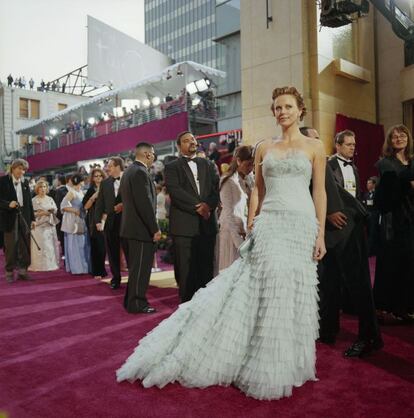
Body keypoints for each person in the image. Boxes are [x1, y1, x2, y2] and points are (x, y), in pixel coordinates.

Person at [117, 86, 327, 400]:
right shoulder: (263, 147)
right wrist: (255, 218)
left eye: (287, 106)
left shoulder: (315, 147)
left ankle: (292, 362)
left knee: (294, 289)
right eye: (277, 107)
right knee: (269, 290)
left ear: (300, 110)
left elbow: (319, 191)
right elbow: (258, 189)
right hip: (271, 225)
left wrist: (320, 232)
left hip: (302, 225)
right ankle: (265, 364)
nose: (281, 112)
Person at [321, 130, 382, 357]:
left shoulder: (354, 168)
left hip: (352, 229)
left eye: (354, 145)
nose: (352, 148)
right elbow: (324, 194)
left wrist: (360, 219)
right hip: (331, 231)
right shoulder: (326, 164)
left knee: (358, 284)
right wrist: (330, 213)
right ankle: (328, 330)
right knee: (329, 282)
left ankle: (369, 336)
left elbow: (353, 199)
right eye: (348, 144)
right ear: (337, 145)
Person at [164, 131, 220, 302]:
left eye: (193, 139)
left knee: (206, 268)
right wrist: (199, 207)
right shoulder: (172, 167)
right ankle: (186, 306)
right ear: (179, 147)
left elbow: (215, 190)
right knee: (186, 271)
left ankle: (206, 305)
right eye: (186, 141)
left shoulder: (208, 164)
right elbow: (176, 192)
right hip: (184, 227)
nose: (191, 142)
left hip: (206, 226)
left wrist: (208, 205)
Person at [373, 124, 414, 323]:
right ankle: (385, 308)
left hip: (411, 218)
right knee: (390, 264)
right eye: (394, 136)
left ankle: (404, 306)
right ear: (389, 141)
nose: (399, 139)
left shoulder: (412, 161)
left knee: (409, 265)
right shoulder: (385, 163)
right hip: (393, 220)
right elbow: (392, 190)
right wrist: (408, 181)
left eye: (402, 135)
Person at [120, 143, 161, 313]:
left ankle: (130, 301)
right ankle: (137, 303)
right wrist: (154, 228)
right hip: (141, 230)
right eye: (153, 154)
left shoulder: (129, 171)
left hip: (131, 229)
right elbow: (145, 205)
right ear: (147, 154)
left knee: (136, 269)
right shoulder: (140, 172)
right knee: (141, 270)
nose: (154, 158)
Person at [218, 145, 254, 271]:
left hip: (244, 231)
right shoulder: (228, 181)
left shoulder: (249, 179)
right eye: (248, 164)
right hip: (231, 232)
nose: (251, 169)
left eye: (253, 165)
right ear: (238, 161)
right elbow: (228, 214)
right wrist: (238, 242)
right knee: (230, 273)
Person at [0, 159, 35, 282]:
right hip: (9, 217)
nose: (22, 171)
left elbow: (29, 203)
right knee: (11, 246)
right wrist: (8, 204)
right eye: (20, 168)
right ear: (13, 168)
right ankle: (9, 271)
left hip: (24, 217)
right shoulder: (3, 181)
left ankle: (22, 270)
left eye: (24, 169)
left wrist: (33, 219)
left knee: (25, 244)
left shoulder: (25, 183)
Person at [95, 157, 127, 290]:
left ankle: (134, 278)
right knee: (112, 252)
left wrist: (124, 205)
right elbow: (100, 203)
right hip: (111, 221)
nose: (108, 168)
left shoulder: (128, 179)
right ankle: (116, 278)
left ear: (118, 166)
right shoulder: (105, 183)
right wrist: (97, 220)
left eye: (110, 166)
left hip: (127, 220)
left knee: (129, 250)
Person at [60, 174, 90, 274]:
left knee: (81, 244)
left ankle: (82, 266)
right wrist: (75, 210)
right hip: (73, 221)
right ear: (79, 181)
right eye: (83, 180)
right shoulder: (71, 192)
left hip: (80, 220)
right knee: (74, 245)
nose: (84, 182)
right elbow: (63, 206)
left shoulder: (80, 191)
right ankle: (77, 268)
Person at [29, 180, 60, 271]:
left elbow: (55, 209)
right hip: (38, 226)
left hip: (49, 225)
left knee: (50, 245)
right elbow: (31, 214)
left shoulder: (50, 199)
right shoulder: (34, 200)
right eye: (41, 187)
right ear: (37, 189)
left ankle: (51, 264)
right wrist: (42, 213)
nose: (43, 189)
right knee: (41, 245)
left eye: (44, 187)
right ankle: (39, 265)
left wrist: (52, 211)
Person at [83, 168, 107, 279]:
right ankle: (96, 271)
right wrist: (94, 196)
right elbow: (85, 206)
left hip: (106, 219)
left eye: (100, 176)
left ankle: (102, 270)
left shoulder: (107, 189)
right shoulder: (90, 190)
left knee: (104, 247)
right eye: (96, 176)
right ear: (92, 178)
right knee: (96, 246)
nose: (98, 178)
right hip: (93, 220)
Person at [363, 176, 379, 256]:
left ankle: (371, 251)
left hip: (375, 217)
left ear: (374, 184)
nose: (367, 185)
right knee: (369, 234)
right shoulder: (366, 195)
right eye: (367, 183)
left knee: (373, 234)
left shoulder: (377, 194)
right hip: (368, 217)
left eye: (369, 183)